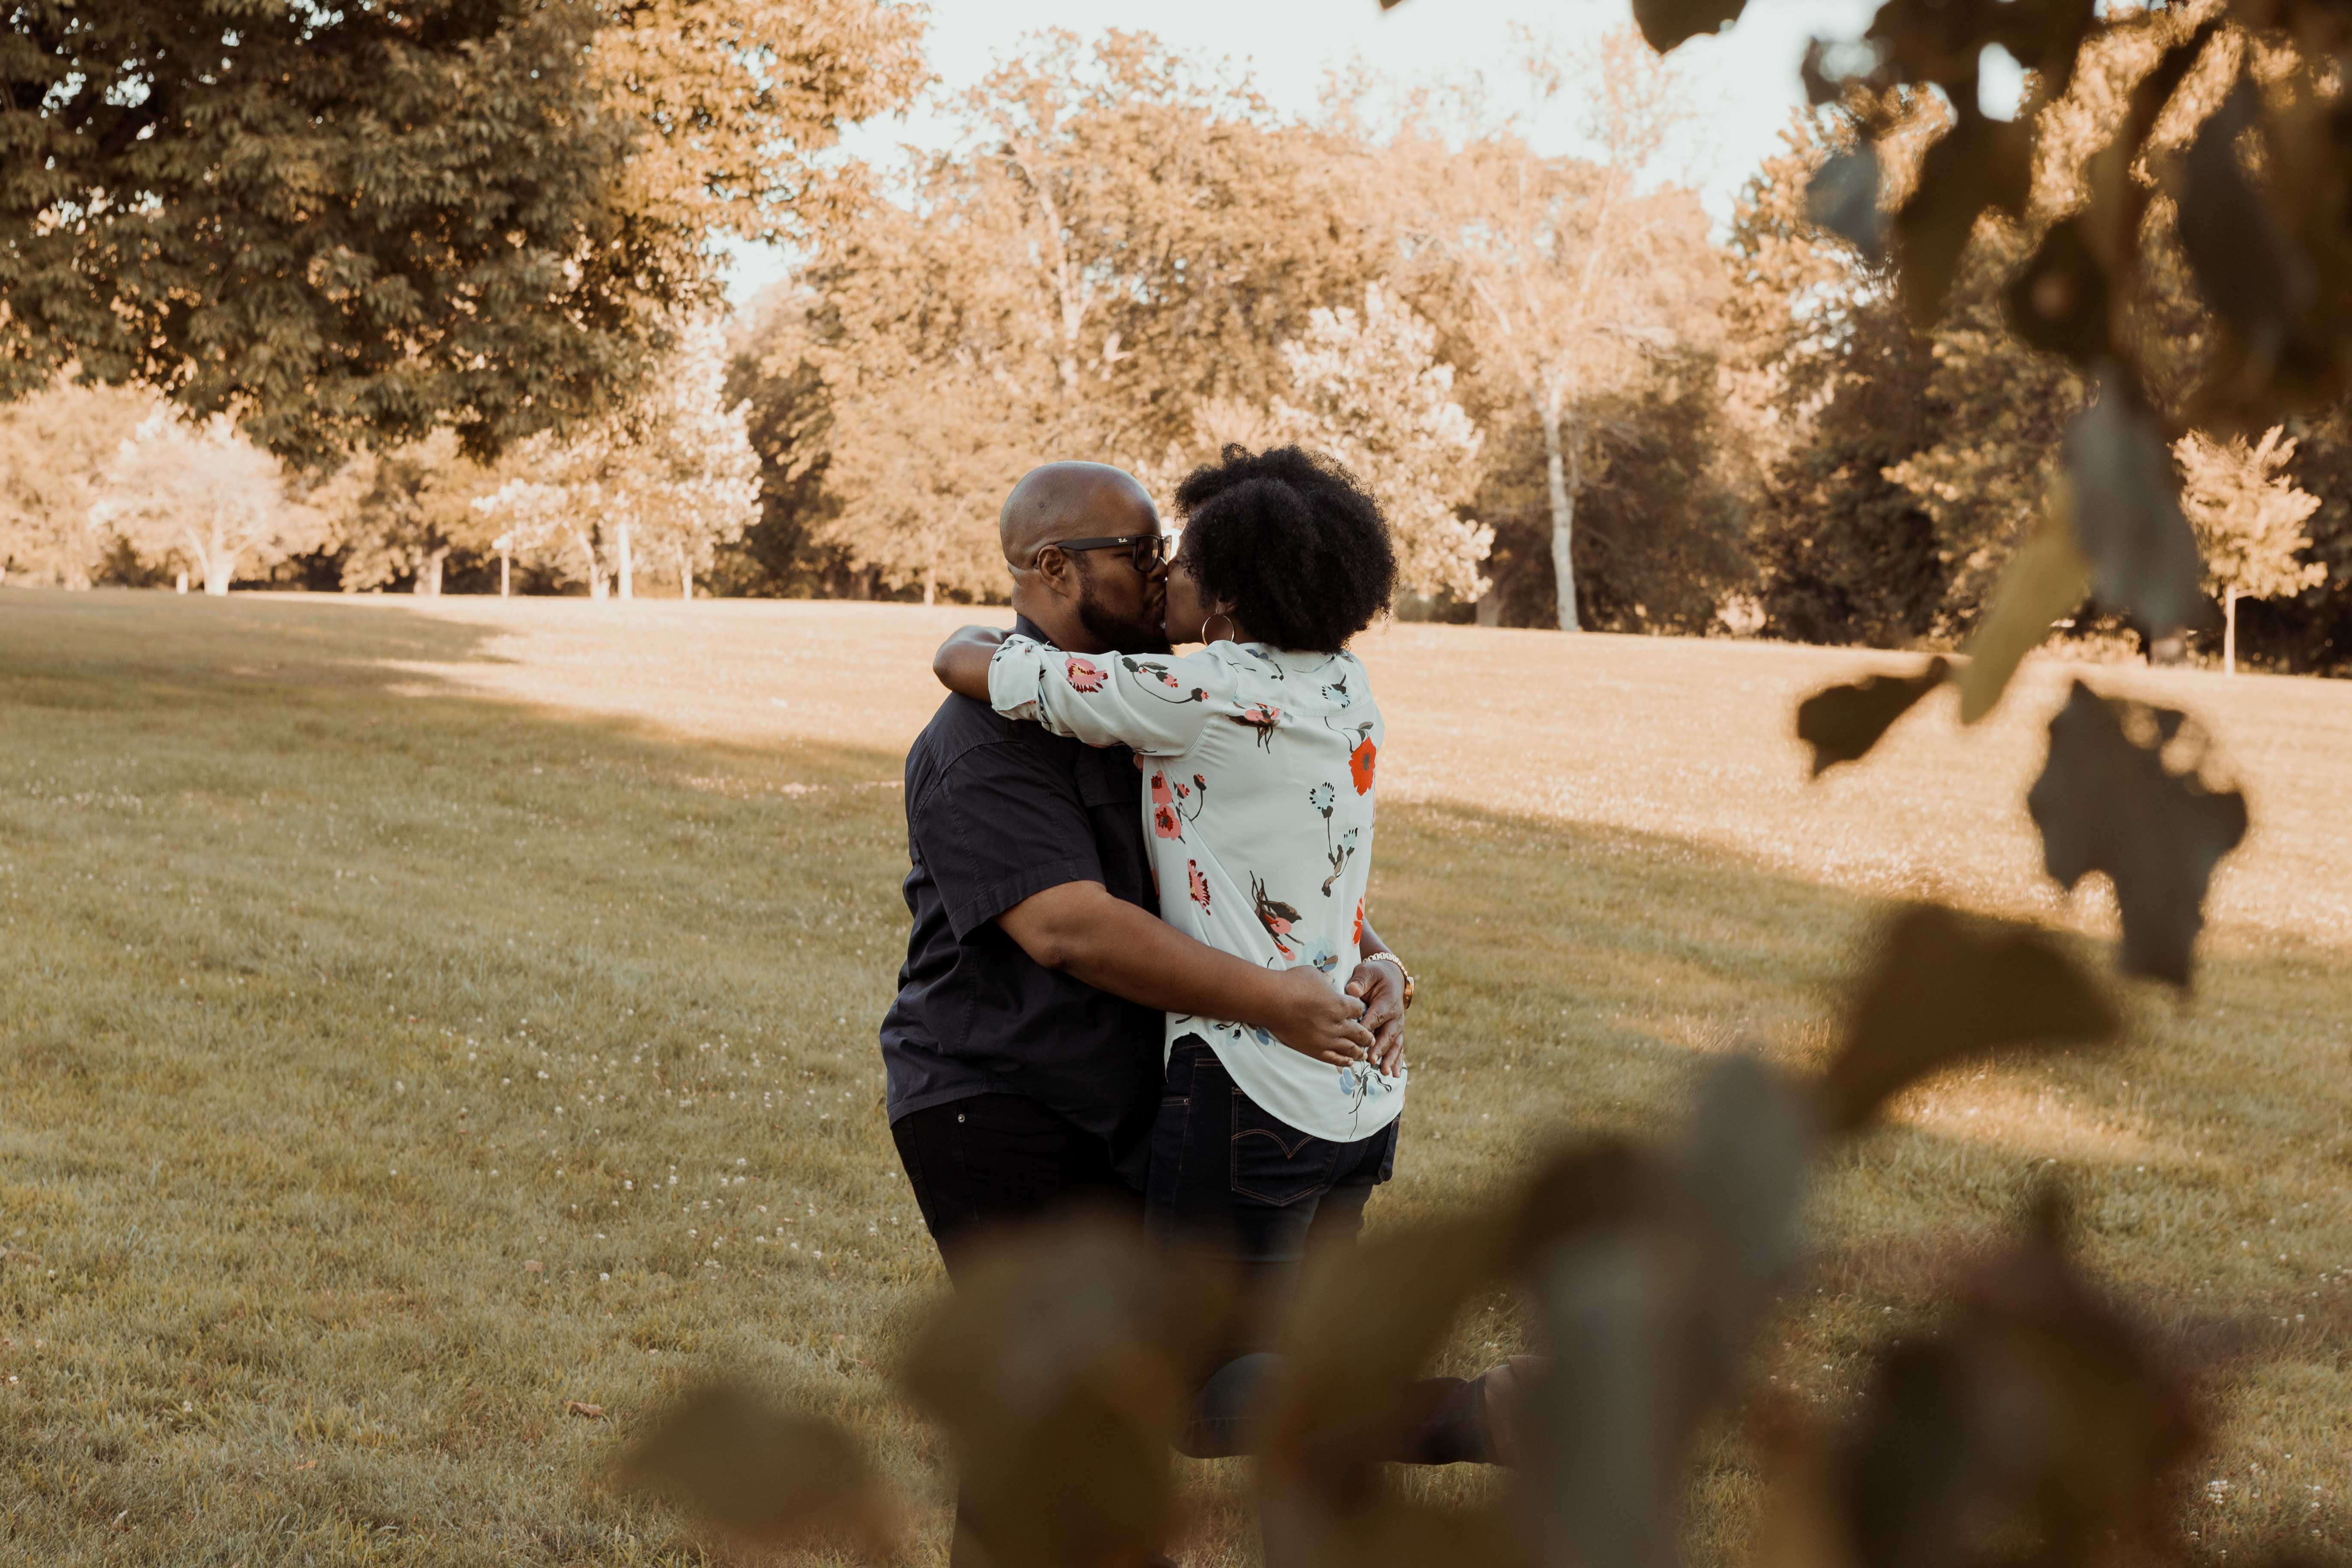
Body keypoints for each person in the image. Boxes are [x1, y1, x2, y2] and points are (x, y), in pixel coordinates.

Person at [933, 445, 1515, 1468]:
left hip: (1252, 1091)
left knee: (1202, 1399)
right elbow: (1286, 860)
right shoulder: (1346, 686)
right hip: (1350, 1100)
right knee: (1286, 1372)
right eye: (1142, 552)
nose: (1164, 574)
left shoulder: (1188, 696)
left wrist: (959, 638)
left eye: (1179, 555)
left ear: (1234, 594)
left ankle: (1491, 1415)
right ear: (1055, 567)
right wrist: (1365, 961)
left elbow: (987, 666)